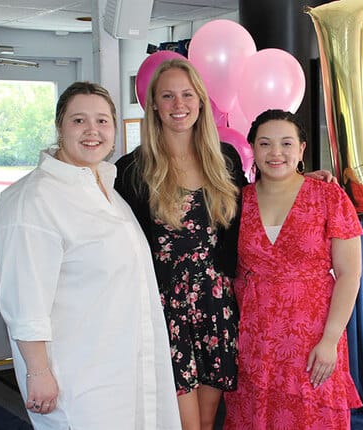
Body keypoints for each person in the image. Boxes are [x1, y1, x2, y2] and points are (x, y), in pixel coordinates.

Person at [0, 82, 180, 429]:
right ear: (60, 126)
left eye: (103, 121)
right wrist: (38, 372)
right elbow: (24, 300)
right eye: (79, 120)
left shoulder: (106, 188)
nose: (93, 131)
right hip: (77, 378)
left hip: (122, 366)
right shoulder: (33, 200)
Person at [114, 58, 243, 430]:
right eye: (167, 96)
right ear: (153, 103)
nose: (178, 104)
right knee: (182, 423)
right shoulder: (131, 169)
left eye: (187, 95)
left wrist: (308, 182)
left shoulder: (226, 160)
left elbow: (257, 206)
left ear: (201, 102)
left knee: (206, 422)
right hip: (162, 308)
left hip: (216, 305)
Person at [223, 109, 363, 429]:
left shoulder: (328, 196)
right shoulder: (236, 201)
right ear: (252, 150)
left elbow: (349, 274)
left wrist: (330, 341)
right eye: (265, 144)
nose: (276, 153)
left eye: (286, 143)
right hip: (254, 340)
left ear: (301, 149)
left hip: (312, 337)